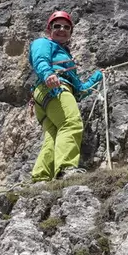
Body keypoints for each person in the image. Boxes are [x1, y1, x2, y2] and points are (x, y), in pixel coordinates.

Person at [29, 11, 102, 181]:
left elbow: (80, 91)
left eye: (66, 27)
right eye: (57, 26)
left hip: (46, 95)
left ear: (70, 32)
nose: (62, 29)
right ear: (49, 29)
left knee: (53, 136)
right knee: (70, 123)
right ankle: (65, 169)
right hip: (54, 88)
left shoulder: (65, 56)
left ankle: (41, 177)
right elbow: (40, 60)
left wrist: (98, 76)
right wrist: (48, 74)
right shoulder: (43, 42)